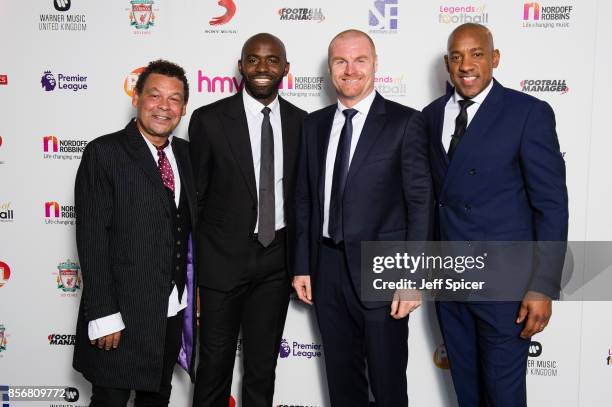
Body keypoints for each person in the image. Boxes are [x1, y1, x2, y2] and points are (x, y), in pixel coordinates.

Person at [422, 23, 568, 406]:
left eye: (476, 54)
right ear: (447, 64)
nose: (465, 64)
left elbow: (551, 205)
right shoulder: (430, 115)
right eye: (456, 56)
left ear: (495, 59)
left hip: (507, 288)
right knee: (467, 395)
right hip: (450, 284)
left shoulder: (528, 113)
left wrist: (542, 286)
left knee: (503, 396)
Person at [293, 29, 432, 406]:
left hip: (384, 269)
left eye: (360, 60)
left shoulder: (406, 122)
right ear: (330, 68)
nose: (350, 69)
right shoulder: (314, 124)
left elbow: (421, 203)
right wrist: (303, 265)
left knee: (387, 386)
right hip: (326, 268)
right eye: (341, 61)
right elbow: (305, 198)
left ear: (375, 66)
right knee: (343, 384)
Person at [189, 33, 306, 406]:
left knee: (261, 368)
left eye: (272, 60)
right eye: (253, 60)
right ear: (241, 66)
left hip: (276, 260)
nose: (262, 68)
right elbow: (197, 199)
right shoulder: (209, 120)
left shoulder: (303, 123)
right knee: (214, 365)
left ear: (286, 69)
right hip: (222, 262)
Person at [73, 59, 198, 406]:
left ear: (184, 108)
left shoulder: (187, 155)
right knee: (110, 400)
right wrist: (102, 313)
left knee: (157, 398)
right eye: (154, 95)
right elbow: (93, 238)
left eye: (174, 99)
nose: (164, 106)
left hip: (170, 311)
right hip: (121, 315)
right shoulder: (104, 152)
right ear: (137, 98)